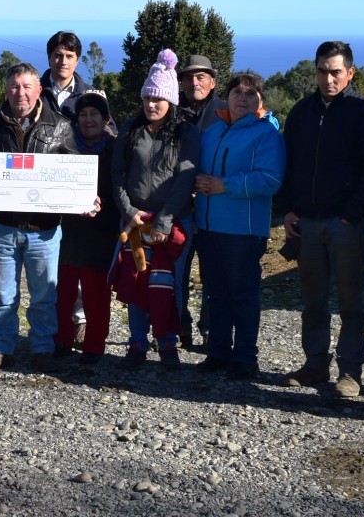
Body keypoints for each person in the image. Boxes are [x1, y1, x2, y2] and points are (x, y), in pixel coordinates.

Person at [275, 41, 364, 397]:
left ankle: (350, 373)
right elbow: (288, 165)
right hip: (306, 222)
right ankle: (315, 365)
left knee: (351, 302)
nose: (328, 78)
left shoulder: (363, 111)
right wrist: (288, 209)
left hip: (345, 224)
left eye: (336, 71)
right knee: (312, 300)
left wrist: (352, 215)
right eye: (322, 71)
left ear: (350, 73)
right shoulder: (301, 112)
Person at [0, 62, 78, 373]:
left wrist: (85, 198)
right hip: (3, 227)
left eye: (25, 87)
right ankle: (1, 349)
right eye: (14, 86)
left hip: (44, 231)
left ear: (38, 91)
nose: (19, 92)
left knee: (44, 296)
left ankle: (42, 349)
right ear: (6, 90)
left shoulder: (60, 126)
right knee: (2, 294)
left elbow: (75, 172)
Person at [111, 49, 199, 370]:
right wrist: (128, 210)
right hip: (134, 221)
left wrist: (163, 221)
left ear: (170, 100)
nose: (151, 104)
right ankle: (137, 341)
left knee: (170, 284)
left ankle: (167, 342)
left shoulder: (185, 132)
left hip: (174, 224)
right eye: (147, 97)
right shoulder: (131, 129)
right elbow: (117, 173)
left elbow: (185, 177)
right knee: (136, 279)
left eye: (158, 98)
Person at [194, 73, 285, 380]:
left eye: (250, 93)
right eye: (237, 92)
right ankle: (218, 352)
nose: (242, 98)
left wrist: (225, 186)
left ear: (260, 100)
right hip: (208, 227)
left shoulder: (265, 134)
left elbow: (271, 180)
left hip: (244, 232)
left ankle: (245, 357)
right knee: (216, 293)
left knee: (242, 296)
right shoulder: (213, 131)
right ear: (227, 96)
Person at [54, 90, 120, 365]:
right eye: (83, 114)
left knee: (96, 295)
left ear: (105, 119)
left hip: (101, 232)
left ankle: (94, 345)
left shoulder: (115, 149)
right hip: (67, 231)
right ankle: (62, 340)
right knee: (64, 291)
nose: (89, 119)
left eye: (95, 114)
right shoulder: (64, 148)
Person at [177, 54, 226, 351]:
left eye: (201, 77)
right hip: (179, 209)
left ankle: (210, 330)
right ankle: (178, 327)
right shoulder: (171, 114)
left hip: (215, 208)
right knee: (177, 273)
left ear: (212, 82)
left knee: (212, 273)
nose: (194, 82)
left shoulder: (225, 112)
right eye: (189, 77)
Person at [39, 30, 94, 123]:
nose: (63, 62)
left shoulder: (90, 94)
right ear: (49, 58)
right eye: (58, 55)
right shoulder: (33, 92)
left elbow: (107, 129)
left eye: (69, 56)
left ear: (77, 61)